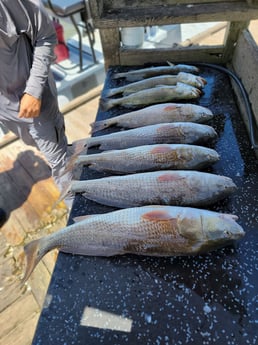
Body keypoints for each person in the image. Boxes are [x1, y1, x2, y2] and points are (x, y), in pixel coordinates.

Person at [0, 0, 73, 209]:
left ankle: (82, 219)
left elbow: (46, 35)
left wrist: (33, 91)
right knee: (40, 146)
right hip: (5, 110)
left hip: (35, 102)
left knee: (60, 164)